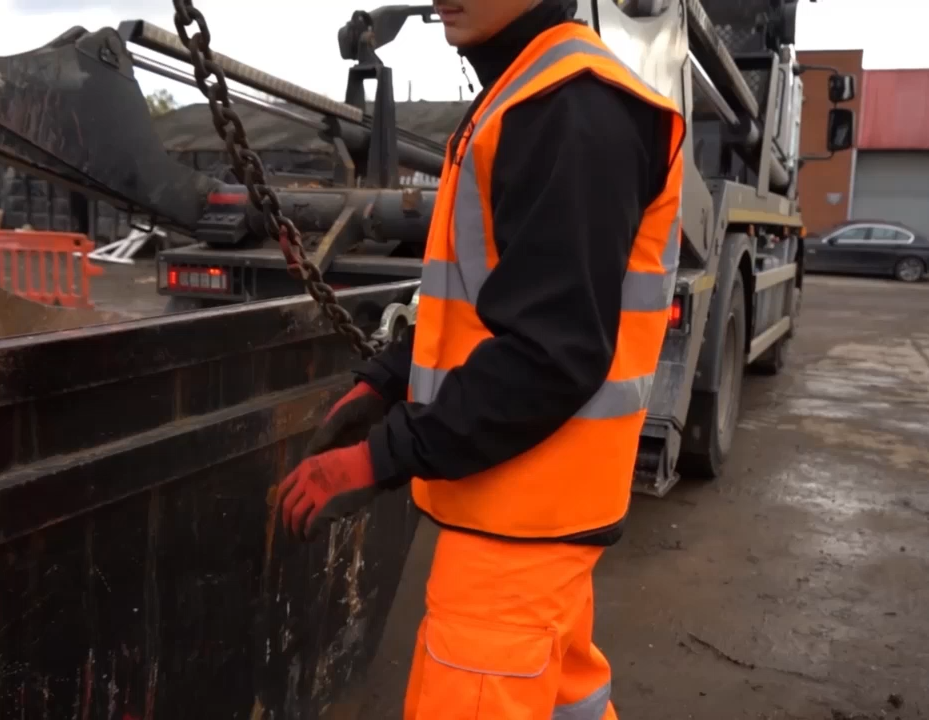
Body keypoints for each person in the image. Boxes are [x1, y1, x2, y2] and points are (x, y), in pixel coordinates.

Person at [275, 0, 684, 716]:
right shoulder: (527, 96)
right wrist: (387, 379)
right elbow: (487, 298)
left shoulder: (567, 110)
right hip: (537, 529)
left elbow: (548, 357)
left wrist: (382, 457)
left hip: (514, 538)